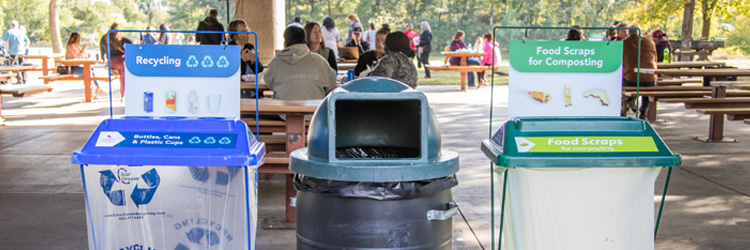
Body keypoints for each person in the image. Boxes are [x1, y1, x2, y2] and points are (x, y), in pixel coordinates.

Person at [263, 26, 337, 100]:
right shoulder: (320, 61)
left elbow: (268, 82)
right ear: (305, 40)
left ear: (285, 42)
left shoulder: (275, 62)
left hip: (283, 109)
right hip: (314, 109)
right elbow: (331, 82)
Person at [621, 24, 657, 119]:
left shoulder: (623, 43)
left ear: (628, 33)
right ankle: (643, 111)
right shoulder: (650, 42)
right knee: (646, 86)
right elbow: (655, 59)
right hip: (650, 79)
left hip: (631, 79)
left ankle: (627, 103)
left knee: (625, 80)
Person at [99, 22, 132, 98]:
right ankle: (123, 95)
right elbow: (130, 42)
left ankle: (122, 95)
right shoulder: (120, 37)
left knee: (120, 76)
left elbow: (102, 51)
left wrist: (103, 58)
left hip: (110, 62)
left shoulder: (105, 37)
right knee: (123, 79)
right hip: (120, 61)